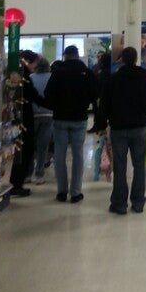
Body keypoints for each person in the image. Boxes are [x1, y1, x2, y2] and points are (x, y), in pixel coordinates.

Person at [96, 46, 146, 215]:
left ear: (122, 60)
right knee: (139, 166)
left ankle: (119, 204)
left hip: (118, 128)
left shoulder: (113, 80)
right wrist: (144, 112)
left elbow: (104, 105)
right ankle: (138, 202)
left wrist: (101, 124)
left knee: (120, 166)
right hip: (139, 128)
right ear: (136, 58)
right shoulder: (145, 77)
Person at [44, 45, 98, 203]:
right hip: (80, 118)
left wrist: (56, 106)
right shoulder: (86, 72)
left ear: (65, 56)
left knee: (59, 155)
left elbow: (48, 94)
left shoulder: (57, 72)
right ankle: (75, 192)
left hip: (60, 118)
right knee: (78, 155)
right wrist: (85, 102)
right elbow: (95, 93)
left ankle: (62, 191)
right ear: (77, 55)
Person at [9, 50, 43, 197]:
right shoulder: (24, 78)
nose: (35, 67)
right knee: (25, 151)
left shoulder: (17, 74)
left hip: (16, 118)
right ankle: (16, 184)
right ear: (28, 62)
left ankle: (16, 182)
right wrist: (52, 104)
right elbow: (33, 95)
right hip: (23, 119)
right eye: (35, 63)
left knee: (20, 151)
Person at [30, 56, 53, 184]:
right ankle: (39, 174)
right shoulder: (52, 77)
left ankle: (28, 173)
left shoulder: (31, 78)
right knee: (43, 145)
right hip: (48, 114)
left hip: (32, 115)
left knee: (31, 145)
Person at [88, 50, 110, 133]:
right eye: (98, 56)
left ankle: (102, 128)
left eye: (101, 56)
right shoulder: (94, 67)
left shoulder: (107, 69)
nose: (99, 58)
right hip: (96, 93)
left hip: (103, 93)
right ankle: (96, 126)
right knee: (96, 111)